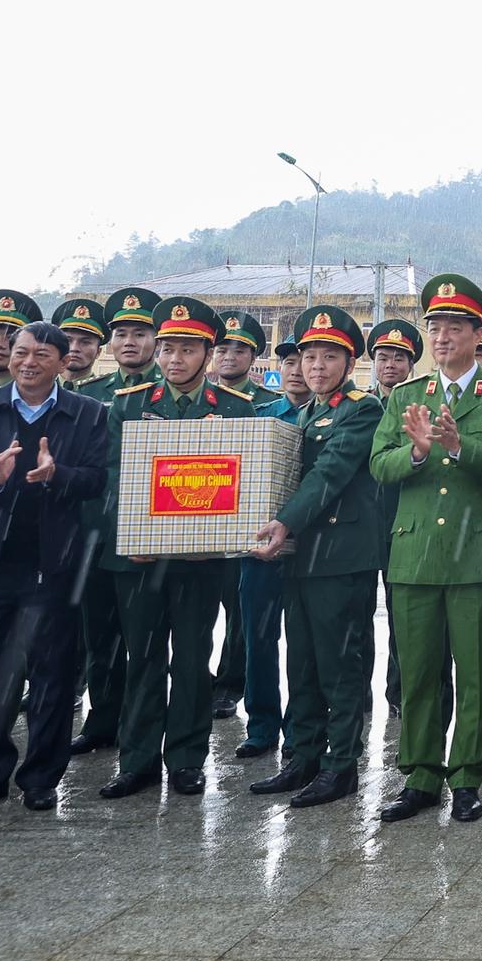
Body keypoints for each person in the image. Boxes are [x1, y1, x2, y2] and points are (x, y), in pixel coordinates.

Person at [369, 274, 482, 824]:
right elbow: (379, 465)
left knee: (477, 671)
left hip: (479, 558)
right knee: (417, 671)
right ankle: (420, 775)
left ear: (478, 335)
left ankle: (466, 776)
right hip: (415, 555)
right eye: (434, 326)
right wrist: (414, 454)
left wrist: (462, 448)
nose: (441, 337)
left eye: (454, 327)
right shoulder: (407, 397)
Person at [0, 321, 109, 814]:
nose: (27, 361)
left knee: (52, 677)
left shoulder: (88, 414)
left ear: (63, 361)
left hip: (51, 567)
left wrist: (58, 475)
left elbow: (97, 480)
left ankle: (40, 779)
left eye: (41, 354)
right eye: (20, 352)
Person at [99, 298, 258, 799]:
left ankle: (187, 759)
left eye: (187, 350)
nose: (174, 359)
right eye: (167, 349)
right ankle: (137, 760)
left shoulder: (235, 408)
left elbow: (244, 486)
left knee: (191, 660)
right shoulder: (128, 403)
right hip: (140, 560)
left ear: (208, 354)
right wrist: (132, 538)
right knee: (142, 659)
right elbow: (109, 478)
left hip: (200, 562)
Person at [245, 305, 385, 809]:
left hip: (341, 557)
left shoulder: (361, 410)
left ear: (349, 364)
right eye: (309, 357)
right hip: (299, 558)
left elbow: (329, 473)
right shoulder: (302, 414)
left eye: (330, 357)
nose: (317, 367)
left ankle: (340, 766)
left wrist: (283, 523)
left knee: (340, 666)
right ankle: (301, 755)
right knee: (300, 662)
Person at [68, 287, 161, 759]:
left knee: (143, 644)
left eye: (140, 333)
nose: (129, 341)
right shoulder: (92, 395)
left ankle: (138, 730)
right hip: (95, 534)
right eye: (121, 332)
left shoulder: (168, 392)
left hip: (147, 537)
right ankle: (100, 719)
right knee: (98, 637)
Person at [211, 311, 284, 757]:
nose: (230, 355)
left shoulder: (263, 405)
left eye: (239, 348)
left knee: (246, 624)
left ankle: (231, 685)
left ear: (254, 356)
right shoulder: (206, 401)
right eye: (223, 348)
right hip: (210, 525)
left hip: (258, 531)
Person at [365, 318, 428, 719]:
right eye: (383, 356)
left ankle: (399, 691)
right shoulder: (359, 403)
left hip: (402, 524)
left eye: (399, 357)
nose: (390, 364)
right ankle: (358, 694)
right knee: (357, 618)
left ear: (411, 363)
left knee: (404, 616)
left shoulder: (418, 407)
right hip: (360, 527)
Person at [52, 299, 107, 388]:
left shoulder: (112, 396)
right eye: (68, 340)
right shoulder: (38, 391)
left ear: (98, 352)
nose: (74, 348)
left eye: (85, 342)